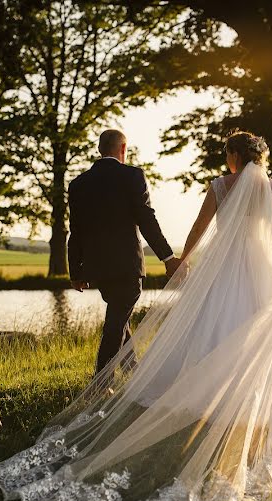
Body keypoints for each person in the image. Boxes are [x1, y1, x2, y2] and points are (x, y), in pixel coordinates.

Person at [0, 130, 272, 501]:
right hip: (260, 270)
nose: (226, 160)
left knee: (208, 325)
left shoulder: (219, 186)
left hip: (219, 273)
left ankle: (183, 385)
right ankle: (254, 392)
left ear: (235, 156)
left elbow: (199, 230)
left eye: (227, 154)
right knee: (254, 326)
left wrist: (182, 261)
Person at [67, 129, 182, 373]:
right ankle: (101, 382)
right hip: (127, 265)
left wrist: (75, 270)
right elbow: (146, 219)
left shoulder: (78, 184)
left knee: (120, 316)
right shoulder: (132, 176)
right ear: (123, 149)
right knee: (116, 321)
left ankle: (133, 371)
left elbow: (75, 230)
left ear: (100, 150)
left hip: (97, 268)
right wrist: (168, 257)